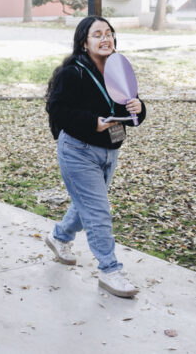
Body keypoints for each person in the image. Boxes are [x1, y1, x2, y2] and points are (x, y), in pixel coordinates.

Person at [44, 16, 146, 299]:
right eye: (97, 34)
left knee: (86, 205)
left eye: (109, 33)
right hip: (78, 151)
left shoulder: (118, 69)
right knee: (99, 211)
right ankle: (110, 270)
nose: (106, 38)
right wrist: (93, 122)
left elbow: (132, 112)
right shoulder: (72, 73)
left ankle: (59, 237)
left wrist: (140, 107)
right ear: (83, 42)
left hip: (110, 151)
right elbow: (58, 112)